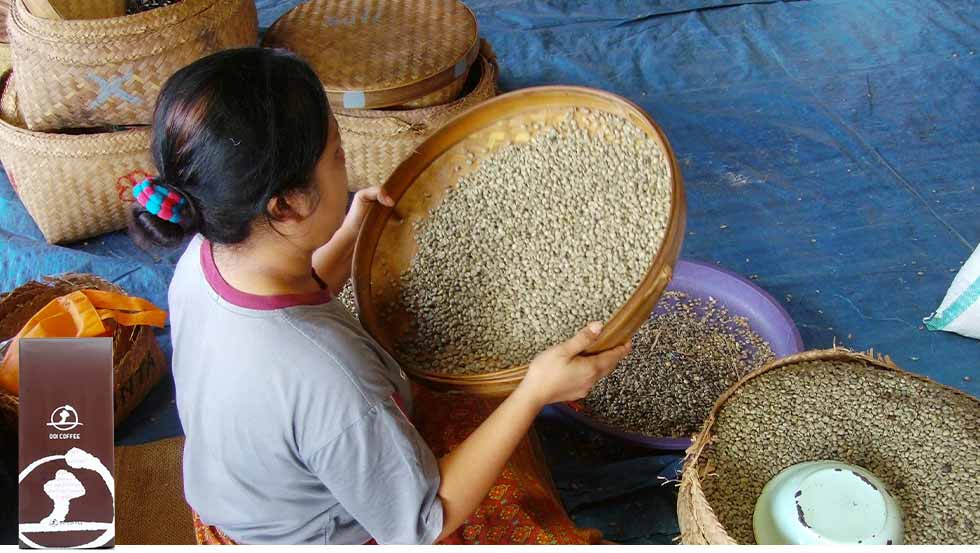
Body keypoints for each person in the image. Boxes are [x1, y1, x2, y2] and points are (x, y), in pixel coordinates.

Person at [129, 47, 631, 545]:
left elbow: (292, 304)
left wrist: (346, 237)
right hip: (315, 535)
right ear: (286, 206)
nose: (346, 168)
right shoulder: (330, 379)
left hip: (244, 500)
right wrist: (534, 391)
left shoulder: (205, 251)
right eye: (337, 156)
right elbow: (421, 524)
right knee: (500, 446)